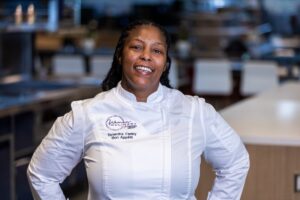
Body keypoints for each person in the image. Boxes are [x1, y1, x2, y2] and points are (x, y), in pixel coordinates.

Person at [27, 19, 249, 200]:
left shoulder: (195, 112)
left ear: (165, 63)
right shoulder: (88, 113)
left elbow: (236, 162)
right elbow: (41, 174)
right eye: (136, 47)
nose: (146, 56)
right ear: (120, 55)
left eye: (157, 50)